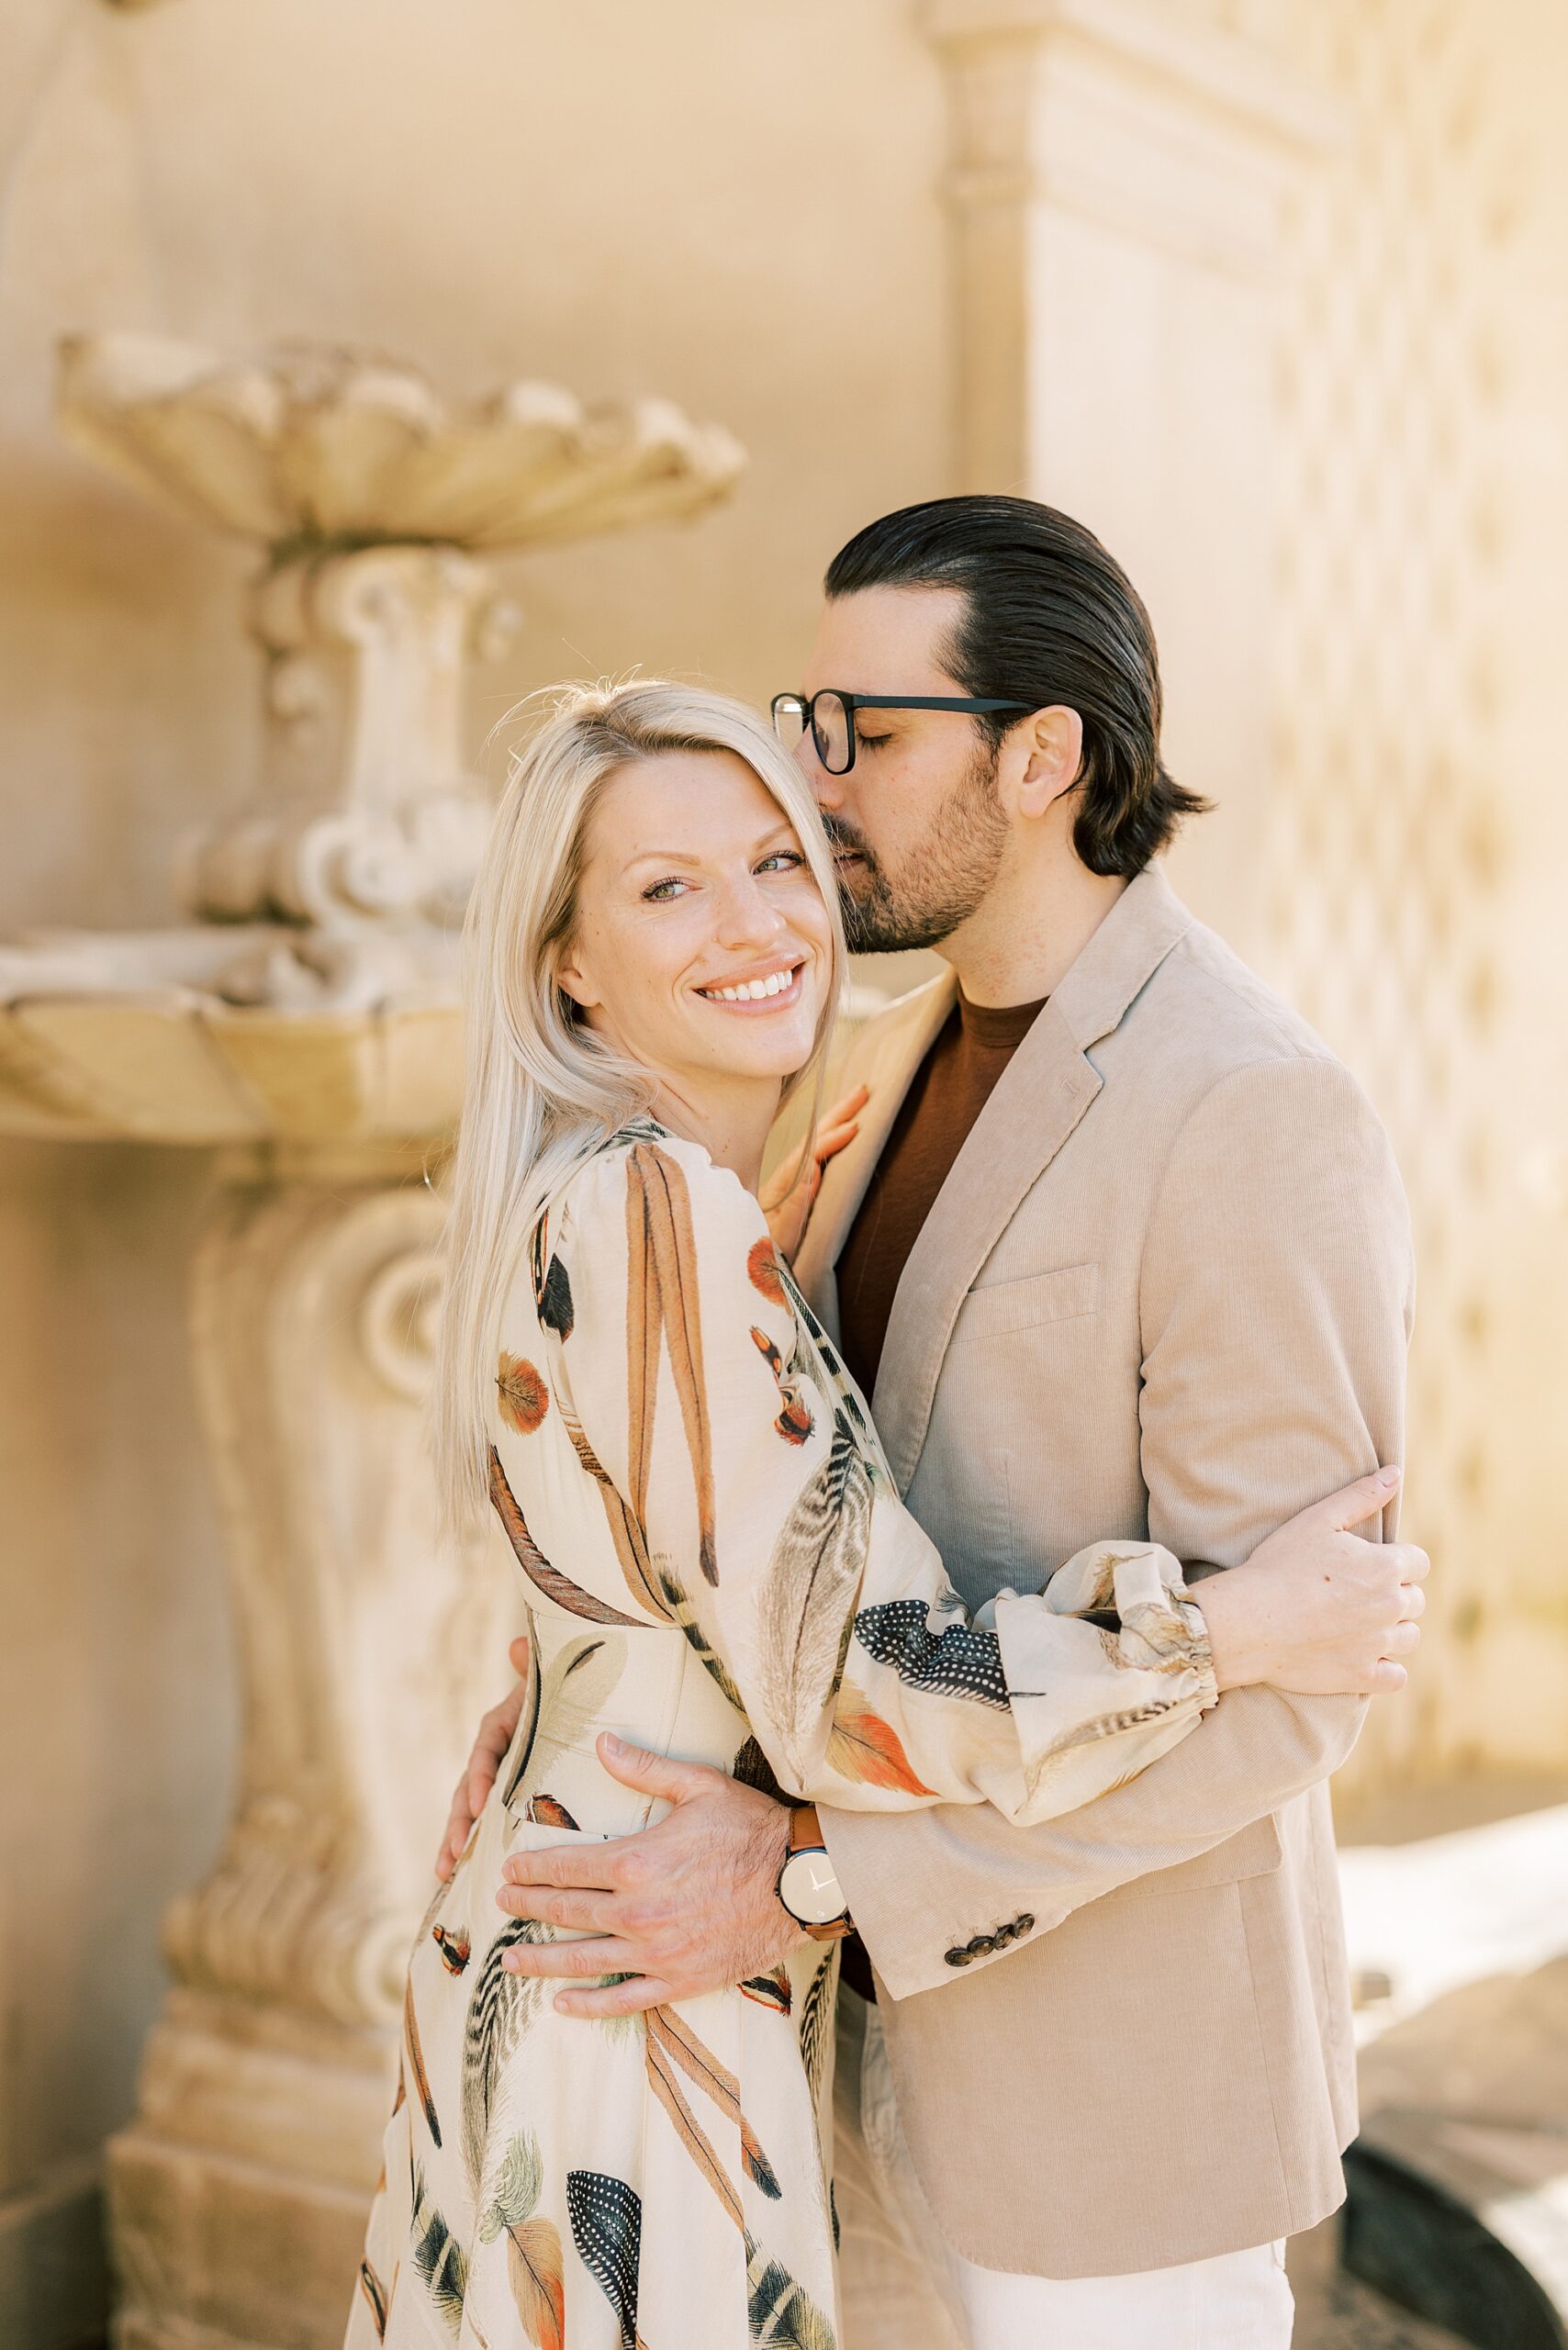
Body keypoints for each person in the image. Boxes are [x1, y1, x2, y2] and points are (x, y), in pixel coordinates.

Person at [445, 501, 1420, 2350]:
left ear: (1039, 757)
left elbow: (1291, 1696)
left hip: (1105, 2104)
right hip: (810, 2078)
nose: (814, 786)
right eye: (806, 722)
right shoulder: (866, 1055)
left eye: (867, 736)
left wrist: (815, 1880)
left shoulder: (1249, 1107)